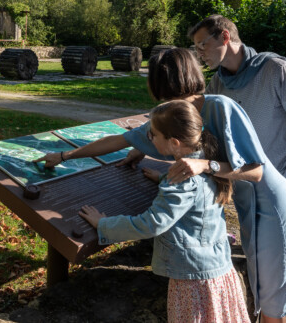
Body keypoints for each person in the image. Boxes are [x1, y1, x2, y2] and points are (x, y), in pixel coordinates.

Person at [43, 48, 286, 322]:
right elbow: (122, 140)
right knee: (265, 301)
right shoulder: (174, 120)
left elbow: (256, 171)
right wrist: (66, 155)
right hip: (247, 213)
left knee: (276, 308)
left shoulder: (216, 109)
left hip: (274, 208)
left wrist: (205, 166)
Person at [188, 14, 286, 323]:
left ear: (225, 37)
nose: (199, 54)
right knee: (263, 276)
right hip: (247, 193)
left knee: (282, 283)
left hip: (283, 191)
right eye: (195, 48)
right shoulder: (219, 82)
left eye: (202, 45)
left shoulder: (276, 70)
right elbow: (202, 124)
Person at [79, 100, 250, 323]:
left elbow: (150, 224)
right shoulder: (206, 158)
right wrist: (163, 177)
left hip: (193, 280)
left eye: (153, 135)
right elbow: (197, 197)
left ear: (174, 142)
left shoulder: (181, 182)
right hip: (216, 268)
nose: (149, 140)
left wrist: (103, 224)